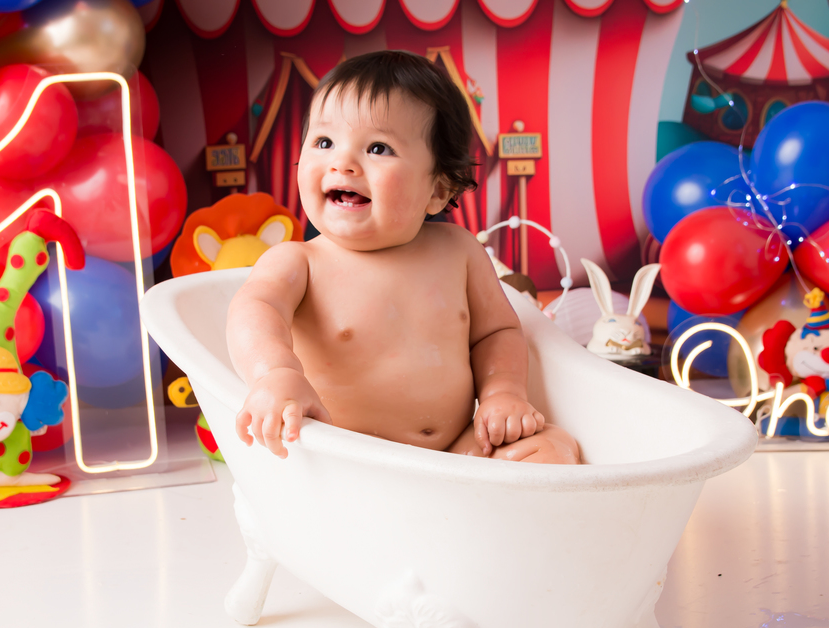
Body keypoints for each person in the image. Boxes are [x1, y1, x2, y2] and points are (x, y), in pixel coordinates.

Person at [226, 50, 579, 464]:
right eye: (324, 142)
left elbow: (497, 333)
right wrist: (275, 373)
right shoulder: (299, 262)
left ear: (438, 191)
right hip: (346, 461)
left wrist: (503, 393)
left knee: (554, 447)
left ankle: (472, 503)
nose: (342, 162)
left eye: (378, 148)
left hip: (458, 451)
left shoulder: (459, 251)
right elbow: (254, 310)